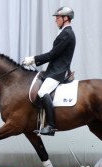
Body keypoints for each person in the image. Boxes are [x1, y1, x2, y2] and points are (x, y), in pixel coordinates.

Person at [23, 6, 76, 136]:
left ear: (66, 18)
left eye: (58, 18)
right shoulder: (65, 33)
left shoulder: (67, 34)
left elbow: (52, 54)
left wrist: (34, 59)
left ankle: (51, 126)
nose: (55, 20)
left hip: (58, 72)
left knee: (42, 91)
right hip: (54, 70)